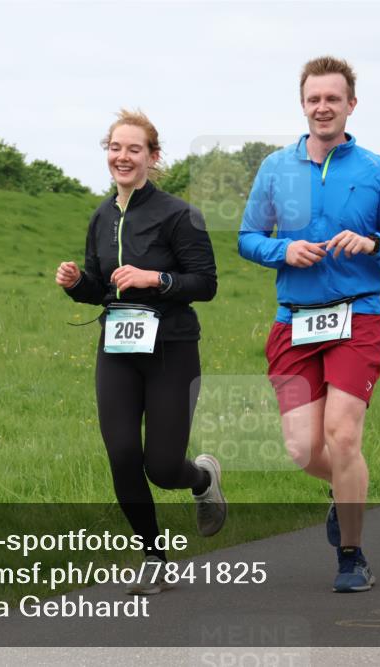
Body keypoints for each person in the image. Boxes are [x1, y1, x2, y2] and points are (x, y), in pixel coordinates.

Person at [238, 56, 380, 592]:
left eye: (333, 98)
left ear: (350, 104)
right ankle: (346, 491)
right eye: (313, 99)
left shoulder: (374, 171)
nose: (323, 107)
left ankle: (352, 556)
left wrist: (375, 243)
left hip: (358, 316)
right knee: (303, 450)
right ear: (303, 105)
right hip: (294, 321)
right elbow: (248, 238)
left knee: (342, 436)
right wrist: (283, 248)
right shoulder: (276, 168)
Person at [57, 109, 226, 595]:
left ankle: (200, 479)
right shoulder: (101, 215)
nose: (122, 156)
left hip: (171, 348)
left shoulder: (179, 214)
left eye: (134, 149)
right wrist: (76, 284)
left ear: (153, 157)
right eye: (115, 147)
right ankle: (154, 556)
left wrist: (156, 278)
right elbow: (99, 288)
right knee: (123, 455)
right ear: (106, 153)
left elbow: (206, 284)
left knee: (162, 466)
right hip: (117, 348)